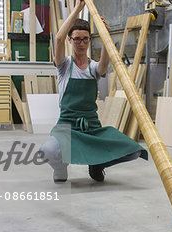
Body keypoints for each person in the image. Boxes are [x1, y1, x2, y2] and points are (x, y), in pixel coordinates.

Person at [39, 0, 148, 183]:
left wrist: (105, 35)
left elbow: (105, 66)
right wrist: (78, 9)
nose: (81, 43)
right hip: (67, 126)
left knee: (133, 149)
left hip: (91, 127)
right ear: (70, 40)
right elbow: (57, 39)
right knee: (48, 150)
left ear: (90, 40)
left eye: (85, 39)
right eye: (77, 39)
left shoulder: (93, 68)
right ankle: (60, 167)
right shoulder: (64, 66)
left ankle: (97, 164)